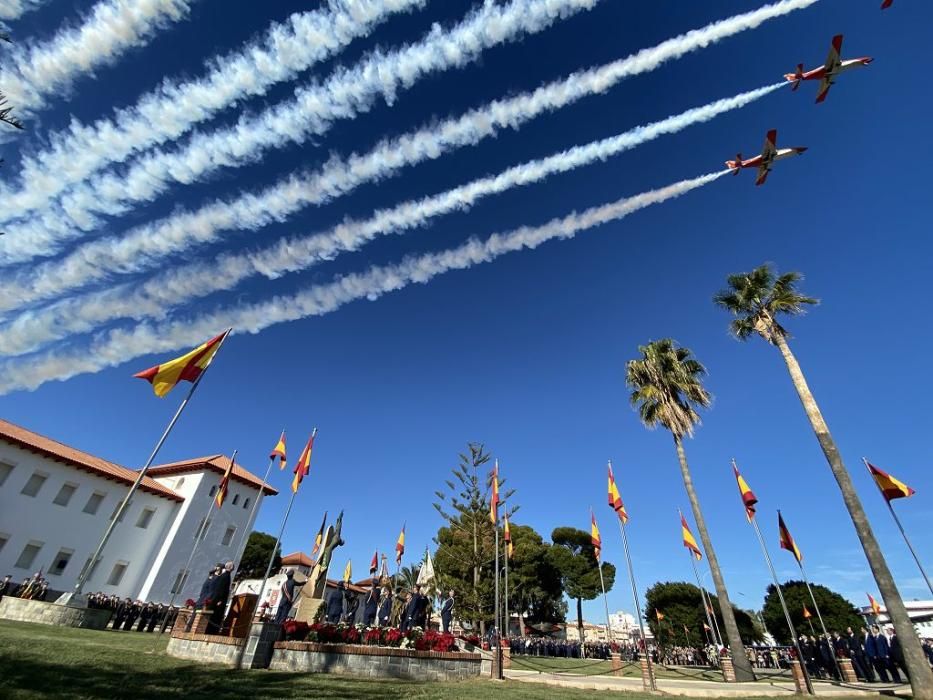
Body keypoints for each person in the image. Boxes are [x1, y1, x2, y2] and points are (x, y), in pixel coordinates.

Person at [207, 562, 234, 634]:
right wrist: (220, 600)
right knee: (216, 616)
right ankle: (212, 631)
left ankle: (214, 630)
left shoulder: (226, 575)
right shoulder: (225, 576)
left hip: (220, 599)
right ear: (230, 567)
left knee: (218, 616)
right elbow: (221, 588)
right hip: (220, 600)